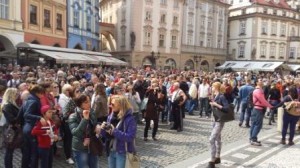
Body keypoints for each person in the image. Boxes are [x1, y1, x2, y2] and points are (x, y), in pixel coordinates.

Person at [98, 95, 137, 168]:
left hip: (122, 152)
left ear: (121, 106)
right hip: (111, 149)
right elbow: (107, 135)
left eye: (113, 104)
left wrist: (114, 131)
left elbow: (130, 137)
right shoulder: (111, 116)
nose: (110, 106)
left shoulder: (130, 119)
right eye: (110, 104)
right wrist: (102, 129)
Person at [68, 94, 98, 168]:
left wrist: (98, 125)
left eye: (89, 101)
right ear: (80, 104)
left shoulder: (92, 112)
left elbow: (94, 124)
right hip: (80, 147)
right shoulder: (73, 116)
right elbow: (75, 133)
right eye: (86, 102)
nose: (89, 103)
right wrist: (84, 119)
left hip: (92, 145)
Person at [22, 85, 46, 168]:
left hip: (26, 127)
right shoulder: (34, 101)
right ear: (38, 93)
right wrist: (39, 117)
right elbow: (27, 114)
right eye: (42, 93)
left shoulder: (28, 99)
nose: (43, 95)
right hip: (31, 128)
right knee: (34, 152)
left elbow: (21, 114)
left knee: (27, 151)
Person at [207, 82, 229, 168]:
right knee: (218, 138)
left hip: (219, 120)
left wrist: (216, 104)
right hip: (213, 119)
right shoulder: (214, 96)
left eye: (212, 86)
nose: (211, 87)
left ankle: (212, 160)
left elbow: (226, 108)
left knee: (212, 139)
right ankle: (218, 157)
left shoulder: (221, 96)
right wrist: (212, 103)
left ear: (215, 87)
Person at [1, 88, 21, 168]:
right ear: (11, 95)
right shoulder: (8, 105)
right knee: (9, 150)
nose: (17, 95)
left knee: (10, 150)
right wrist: (20, 117)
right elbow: (11, 119)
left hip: (12, 129)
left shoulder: (11, 104)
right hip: (10, 130)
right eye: (16, 94)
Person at [249, 79, 273, 146]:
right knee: (257, 125)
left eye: (262, 81)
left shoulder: (258, 90)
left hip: (257, 109)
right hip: (258, 109)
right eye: (260, 81)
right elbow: (263, 100)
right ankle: (253, 139)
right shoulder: (258, 91)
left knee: (254, 124)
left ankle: (252, 138)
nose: (261, 82)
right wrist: (270, 106)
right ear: (257, 82)